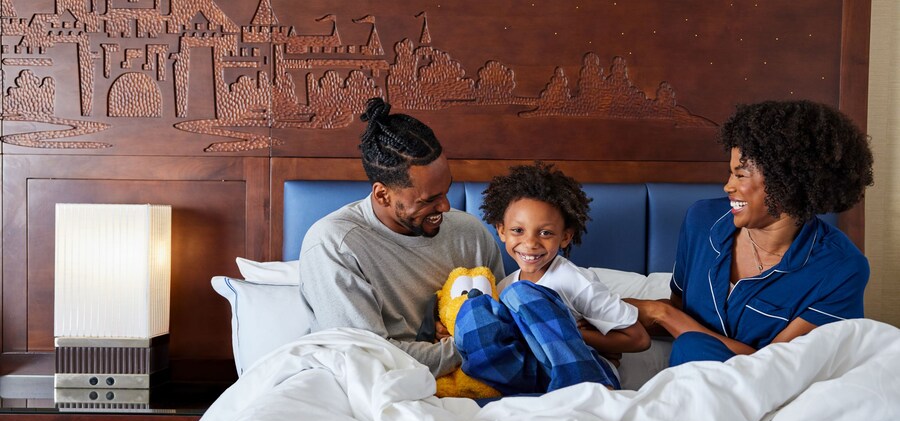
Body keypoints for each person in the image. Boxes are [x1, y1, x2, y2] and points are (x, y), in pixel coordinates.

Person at [628, 100, 874, 366]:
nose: (728, 186)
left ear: (786, 183)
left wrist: (663, 314)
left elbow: (773, 368)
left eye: (741, 175)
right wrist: (611, 315)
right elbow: (681, 312)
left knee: (692, 347)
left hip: (767, 388)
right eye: (730, 173)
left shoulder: (841, 269)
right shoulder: (701, 221)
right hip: (690, 380)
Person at [297, 97, 505, 377]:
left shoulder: (470, 234)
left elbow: (504, 325)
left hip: (469, 382)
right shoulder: (334, 244)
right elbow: (368, 359)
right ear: (382, 194)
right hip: (369, 385)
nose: (445, 207)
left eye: (447, 190)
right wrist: (469, 346)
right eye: (429, 200)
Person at [481, 162, 650, 378]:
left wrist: (572, 333)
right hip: (535, 374)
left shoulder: (574, 280)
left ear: (565, 237)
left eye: (545, 233)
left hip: (590, 372)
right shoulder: (504, 288)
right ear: (502, 231)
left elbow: (638, 339)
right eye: (518, 230)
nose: (530, 243)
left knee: (521, 295)